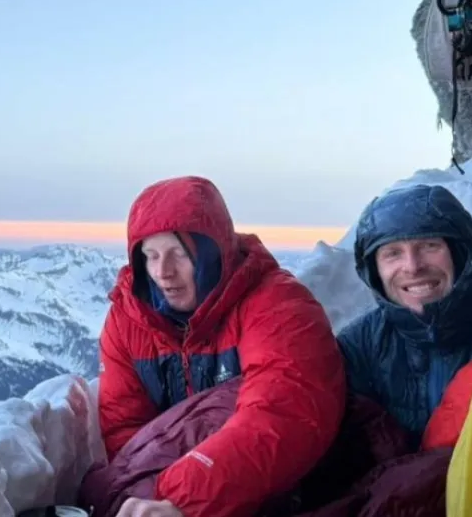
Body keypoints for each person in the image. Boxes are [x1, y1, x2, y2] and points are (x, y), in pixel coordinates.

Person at [96, 175, 347, 517]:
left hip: (275, 491)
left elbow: (284, 411)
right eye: (150, 256)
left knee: (230, 399)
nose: (162, 272)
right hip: (173, 495)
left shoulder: (277, 304)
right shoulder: (130, 320)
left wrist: (180, 500)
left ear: (214, 254)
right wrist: (144, 499)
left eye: (179, 254)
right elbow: (127, 433)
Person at [335, 183, 472, 439]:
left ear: (460, 254)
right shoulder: (358, 348)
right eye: (393, 253)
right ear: (374, 270)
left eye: (429, 246)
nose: (412, 267)